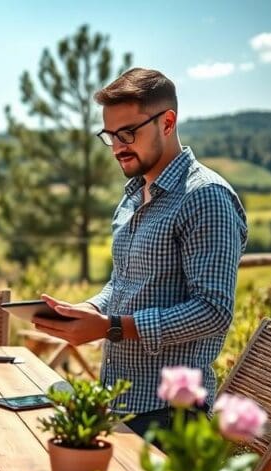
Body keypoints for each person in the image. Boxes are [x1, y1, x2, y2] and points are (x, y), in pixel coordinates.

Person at [31, 68, 247, 436]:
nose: (117, 147)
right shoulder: (133, 195)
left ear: (167, 122)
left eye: (128, 133)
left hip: (171, 415)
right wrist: (92, 309)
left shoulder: (205, 197)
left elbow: (212, 311)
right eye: (110, 135)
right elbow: (124, 283)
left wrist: (111, 327)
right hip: (121, 400)